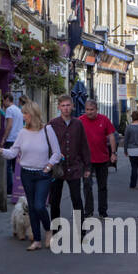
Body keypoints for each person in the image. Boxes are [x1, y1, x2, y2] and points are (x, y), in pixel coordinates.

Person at [0, 100, 61, 250]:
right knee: (32, 207)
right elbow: (13, 152)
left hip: (43, 174)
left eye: (25, 113)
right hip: (27, 174)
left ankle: (48, 230)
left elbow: (57, 152)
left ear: (33, 114)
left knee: (39, 206)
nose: (23, 116)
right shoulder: (23, 132)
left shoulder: (47, 130)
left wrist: (49, 166)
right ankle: (36, 239)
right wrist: (1, 151)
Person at [47, 96, 90, 224]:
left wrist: (87, 167)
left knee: (76, 199)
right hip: (57, 168)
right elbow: (47, 145)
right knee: (55, 200)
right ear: (59, 107)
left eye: (68, 105)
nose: (66, 108)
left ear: (72, 107)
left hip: (74, 167)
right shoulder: (53, 124)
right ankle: (56, 229)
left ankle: (81, 229)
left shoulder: (78, 124)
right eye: (63, 106)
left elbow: (84, 145)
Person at [80, 99, 117, 219]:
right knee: (87, 185)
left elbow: (111, 136)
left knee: (102, 186)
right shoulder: (80, 120)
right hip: (86, 161)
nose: (89, 112)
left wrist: (113, 153)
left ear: (96, 109)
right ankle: (89, 210)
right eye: (87, 110)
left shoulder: (104, 119)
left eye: (91, 110)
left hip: (102, 159)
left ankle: (102, 211)